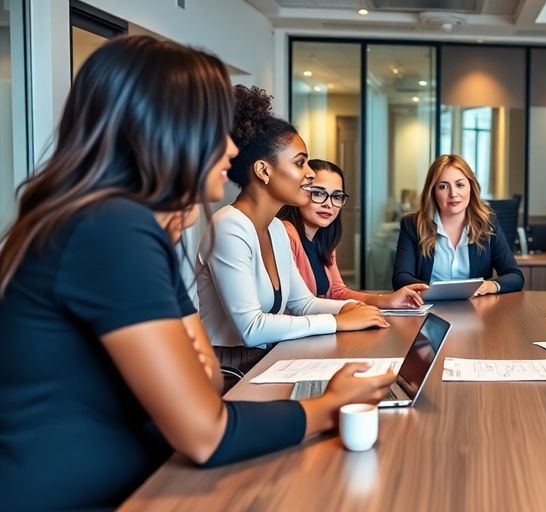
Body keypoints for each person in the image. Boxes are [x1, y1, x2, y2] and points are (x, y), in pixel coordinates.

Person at [0, 36, 396, 510]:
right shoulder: (110, 229)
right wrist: (330, 406)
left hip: (143, 479)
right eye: (212, 127)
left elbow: (207, 381)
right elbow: (205, 433)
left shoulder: (131, 224)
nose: (231, 148)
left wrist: (169, 239)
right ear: (164, 130)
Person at [197, 85, 388, 374]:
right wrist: (338, 321)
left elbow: (304, 303)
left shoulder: (274, 228)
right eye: (300, 163)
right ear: (263, 171)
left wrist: (348, 309)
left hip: (265, 358)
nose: (310, 173)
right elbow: (251, 327)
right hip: (226, 369)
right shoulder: (229, 227)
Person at [278, 159, 428, 307]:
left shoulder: (324, 241)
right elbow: (293, 307)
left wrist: (386, 300)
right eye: (318, 193)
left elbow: (337, 292)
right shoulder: (286, 234)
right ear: (300, 192)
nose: (328, 204)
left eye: (336, 197)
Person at [393, 154, 524, 295]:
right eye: (443, 186)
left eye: (460, 185)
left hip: (476, 311)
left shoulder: (487, 224)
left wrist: (491, 286)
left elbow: (515, 276)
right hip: (428, 308)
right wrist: (435, 291)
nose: (453, 194)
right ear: (433, 192)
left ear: (471, 188)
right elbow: (401, 278)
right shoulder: (413, 225)